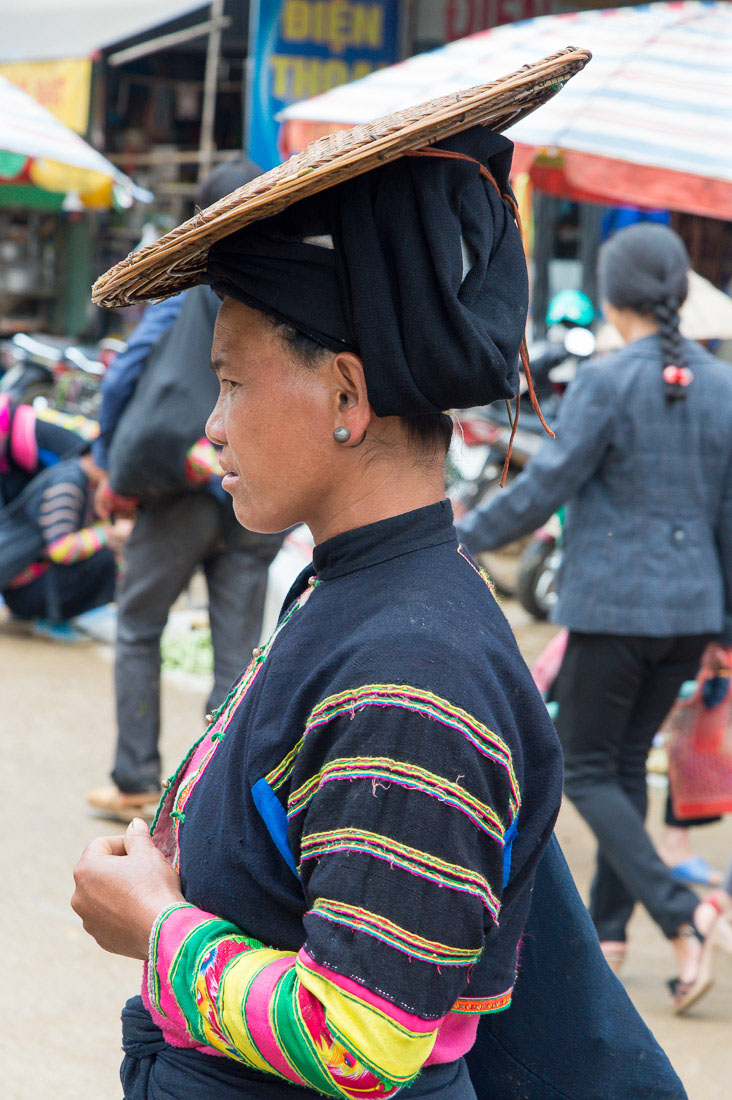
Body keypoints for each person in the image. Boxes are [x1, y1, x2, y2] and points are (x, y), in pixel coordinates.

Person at [72, 63, 686, 1099]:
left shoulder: (413, 663)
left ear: (347, 393)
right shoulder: (356, 590)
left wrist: (158, 924)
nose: (211, 425)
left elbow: (368, 1033)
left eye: (229, 381)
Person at [457, 222, 732, 1013]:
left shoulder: (610, 380)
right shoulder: (717, 384)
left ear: (613, 296)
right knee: (622, 765)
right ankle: (611, 929)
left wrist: (459, 535)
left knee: (583, 765)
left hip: (616, 607)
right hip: (692, 609)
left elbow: (548, 485)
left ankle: (682, 913)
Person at [86, 162, 284, 823]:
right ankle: (217, 798)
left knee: (140, 626)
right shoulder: (285, 289)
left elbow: (126, 377)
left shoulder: (186, 289)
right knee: (238, 651)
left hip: (177, 484)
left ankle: (136, 777)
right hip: (255, 494)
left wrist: (108, 460)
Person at [2, 452, 122, 629]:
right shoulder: (68, 483)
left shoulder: (82, 479)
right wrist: (108, 532)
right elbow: (60, 549)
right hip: (24, 592)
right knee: (106, 558)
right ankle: (52, 617)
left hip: (22, 587)